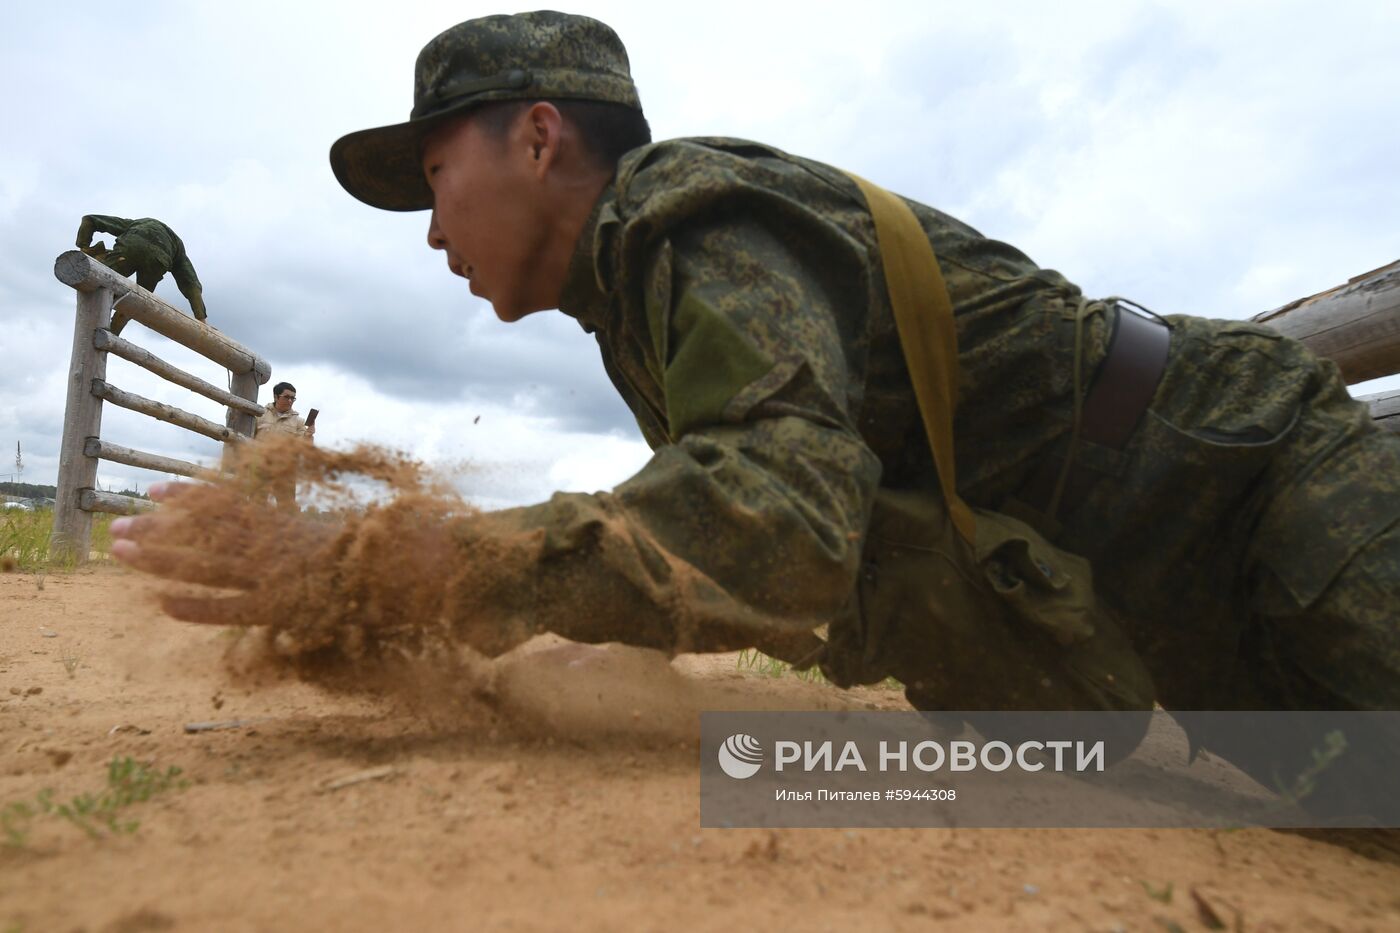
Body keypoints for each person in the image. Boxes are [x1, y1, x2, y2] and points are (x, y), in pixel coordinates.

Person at [112, 13, 1399, 791]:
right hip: (1143, 583)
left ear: (540, 139)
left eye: (438, 173)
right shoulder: (634, 319)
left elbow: (778, 520)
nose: (433, 226)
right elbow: (753, 535)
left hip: (1247, 482)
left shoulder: (688, 213)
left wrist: (415, 566)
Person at [75, 215, 208, 335]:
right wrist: (201, 319)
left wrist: (83, 246)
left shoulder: (134, 224)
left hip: (133, 244)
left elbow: (89, 220)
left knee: (102, 278)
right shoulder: (178, 248)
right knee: (136, 300)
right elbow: (191, 283)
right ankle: (111, 333)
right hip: (159, 260)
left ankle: (99, 331)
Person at [253, 382, 314, 511]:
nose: (290, 401)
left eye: (293, 398)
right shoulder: (260, 414)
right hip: (260, 466)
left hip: (285, 471)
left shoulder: (299, 422)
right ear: (276, 397)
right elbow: (248, 437)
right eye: (287, 397)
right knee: (256, 505)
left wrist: (309, 434)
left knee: (286, 509)